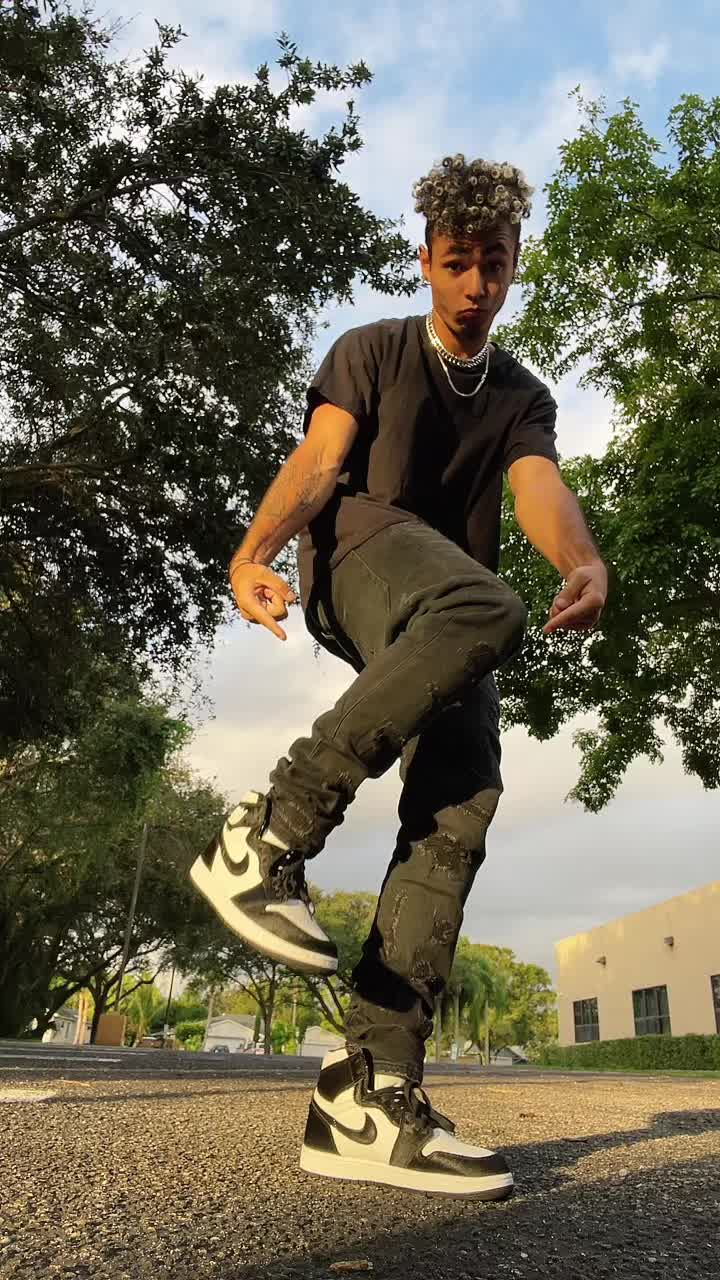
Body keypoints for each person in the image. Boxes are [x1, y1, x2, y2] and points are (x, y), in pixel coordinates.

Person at [190, 154, 608, 1198]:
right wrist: (251, 553)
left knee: (463, 798)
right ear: (425, 260)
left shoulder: (522, 396)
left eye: (494, 264)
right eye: (457, 262)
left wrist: (583, 558)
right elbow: (319, 463)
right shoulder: (372, 350)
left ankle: (368, 1091)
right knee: (487, 606)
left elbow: (538, 488)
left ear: (515, 265)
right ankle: (266, 836)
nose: (476, 285)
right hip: (359, 557)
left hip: (444, 614)